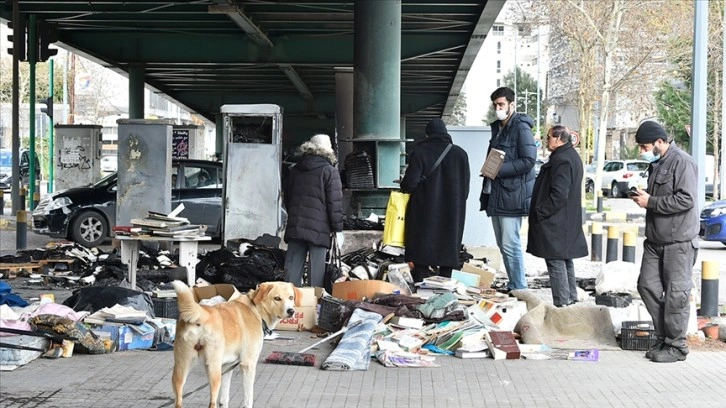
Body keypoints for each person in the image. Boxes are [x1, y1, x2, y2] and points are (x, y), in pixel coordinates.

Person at [630, 120, 699, 363]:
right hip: (655, 239)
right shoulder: (658, 164)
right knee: (646, 286)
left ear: (660, 142)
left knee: (675, 295)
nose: (643, 151)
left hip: (678, 242)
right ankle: (664, 337)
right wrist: (643, 197)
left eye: (645, 146)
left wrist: (651, 202)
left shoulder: (682, 162)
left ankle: (676, 347)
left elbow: (686, 200)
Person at [480, 87, 536, 291]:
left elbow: (529, 161)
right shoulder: (498, 128)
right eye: (495, 105)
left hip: (512, 195)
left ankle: (520, 288)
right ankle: (514, 285)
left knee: (511, 245)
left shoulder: (521, 128)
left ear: (512, 104)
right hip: (497, 192)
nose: (498, 108)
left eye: (501, 105)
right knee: (504, 246)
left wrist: (498, 171)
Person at [400, 118, 470, 282]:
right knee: (448, 250)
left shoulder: (420, 152)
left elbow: (409, 184)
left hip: (424, 211)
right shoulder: (460, 154)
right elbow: (465, 188)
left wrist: (404, 183)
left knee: (421, 250)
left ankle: (421, 285)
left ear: (428, 134)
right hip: (453, 211)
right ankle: (445, 286)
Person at [526, 125, 588, 307]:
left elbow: (559, 194)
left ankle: (562, 304)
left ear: (560, 138)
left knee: (556, 262)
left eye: (550, 137)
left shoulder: (562, 159)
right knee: (565, 259)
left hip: (556, 222)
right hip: (565, 220)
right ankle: (571, 299)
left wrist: (541, 211)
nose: (547, 140)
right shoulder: (571, 156)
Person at [283, 134, 344, 288]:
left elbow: (288, 198)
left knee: (292, 271)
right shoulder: (329, 171)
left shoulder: (295, 170)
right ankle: (314, 305)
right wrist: (337, 229)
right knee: (317, 273)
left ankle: (292, 304)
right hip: (319, 229)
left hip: (296, 225)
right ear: (328, 151)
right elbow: (334, 203)